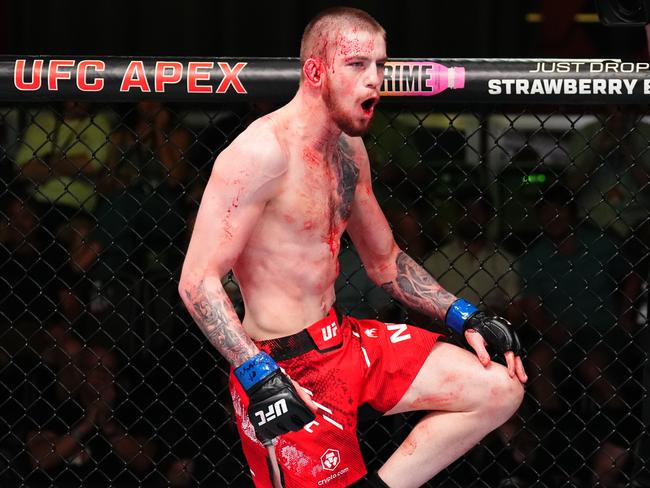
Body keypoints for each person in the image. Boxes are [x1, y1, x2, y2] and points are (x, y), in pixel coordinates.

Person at [179, 7, 526, 488]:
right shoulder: (259, 154)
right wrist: (258, 375)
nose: (374, 82)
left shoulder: (348, 149)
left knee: (496, 388)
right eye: (358, 65)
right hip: (283, 366)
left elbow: (385, 262)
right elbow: (198, 281)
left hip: (342, 340)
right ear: (316, 70)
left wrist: (466, 316)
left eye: (380, 66)